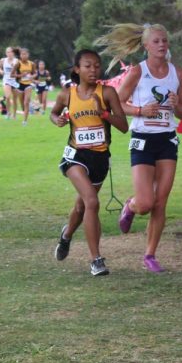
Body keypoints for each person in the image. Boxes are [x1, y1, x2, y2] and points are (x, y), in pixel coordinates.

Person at [100, 24, 182, 273]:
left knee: (161, 203)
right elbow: (116, 102)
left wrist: (175, 104)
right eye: (157, 41)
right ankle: (131, 206)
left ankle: (150, 255)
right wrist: (139, 110)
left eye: (165, 41)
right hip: (143, 140)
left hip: (167, 140)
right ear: (146, 46)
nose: (162, 45)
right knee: (146, 202)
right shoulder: (138, 72)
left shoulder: (178, 73)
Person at [50, 49, 128, 276]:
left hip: (100, 158)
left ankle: (66, 235)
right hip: (75, 156)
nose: (93, 69)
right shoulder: (67, 94)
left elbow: (123, 126)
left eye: (96, 65)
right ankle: (96, 260)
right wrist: (59, 120)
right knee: (92, 202)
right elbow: (54, 114)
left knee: (82, 206)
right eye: (87, 66)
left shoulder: (108, 93)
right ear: (77, 69)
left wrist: (103, 113)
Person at [13, 47, 35, 125]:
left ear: (28, 55)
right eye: (22, 54)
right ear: (20, 55)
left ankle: (25, 121)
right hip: (20, 85)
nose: (24, 56)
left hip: (28, 85)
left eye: (25, 54)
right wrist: (21, 75)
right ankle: (25, 112)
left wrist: (32, 76)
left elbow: (35, 73)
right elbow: (12, 74)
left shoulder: (31, 64)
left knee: (26, 102)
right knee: (22, 104)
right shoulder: (18, 64)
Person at [0, 46, 19, 120]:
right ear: (6, 53)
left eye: (10, 52)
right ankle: (8, 113)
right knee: (8, 97)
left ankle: (14, 114)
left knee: (15, 99)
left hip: (14, 81)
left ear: (13, 53)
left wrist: (15, 67)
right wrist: (1, 71)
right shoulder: (3, 60)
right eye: (7, 52)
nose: (9, 53)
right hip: (6, 80)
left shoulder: (16, 61)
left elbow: (19, 71)